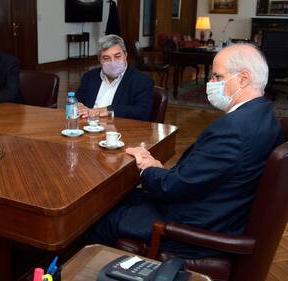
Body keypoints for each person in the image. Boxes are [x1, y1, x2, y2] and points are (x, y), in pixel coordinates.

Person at [90, 44, 284, 258]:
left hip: (195, 227)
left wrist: (146, 166)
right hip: (220, 208)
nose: (210, 83)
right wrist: (161, 170)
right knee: (119, 199)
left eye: (217, 76)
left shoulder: (233, 131)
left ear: (244, 78)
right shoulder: (266, 116)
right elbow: (199, 176)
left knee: (101, 217)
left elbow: (172, 187)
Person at [76, 35, 153, 121]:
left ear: (125, 55)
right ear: (99, 59)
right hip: (87, 127)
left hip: (120, 130)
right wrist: (78, 105)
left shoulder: (141, 80)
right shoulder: (89, 77)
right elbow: (77, 98)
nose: (113, 62)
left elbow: (143, 112)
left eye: (117, 56)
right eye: (106, 58)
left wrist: (108, 110)